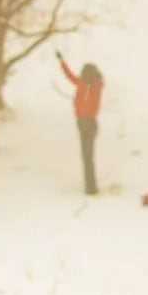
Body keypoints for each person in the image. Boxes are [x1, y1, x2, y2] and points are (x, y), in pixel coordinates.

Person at [56, 50, 104, 195]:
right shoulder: (89, 84)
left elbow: (69, 75)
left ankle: (91, 188)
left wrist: (62, 61)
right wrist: (62, 61)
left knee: (87, 156)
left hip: (88, 123)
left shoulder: (93, 86)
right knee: (87, 156)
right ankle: (90, 187)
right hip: (85, 123)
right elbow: (69, 75)